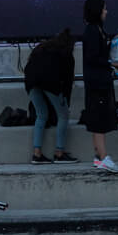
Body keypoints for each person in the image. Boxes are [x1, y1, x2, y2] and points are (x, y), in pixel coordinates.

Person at [77, 0, 118, 172]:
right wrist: (112, 63)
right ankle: (102, 156)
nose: (106, 12)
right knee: (98, 119)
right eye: (104, 9)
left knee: (101, 117)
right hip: (97, 83)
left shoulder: (98, 30)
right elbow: (93, 57)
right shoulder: (92, 31)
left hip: (102, 81)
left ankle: (99, 156)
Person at [23, 27, 77, 163]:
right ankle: (59, 153)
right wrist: (66, 102)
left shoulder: (41, 48)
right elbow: (67, 81)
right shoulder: (66, 54)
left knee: (41, 115)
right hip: (50, 83)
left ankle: (37, 154)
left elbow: (28, 67)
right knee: (63, 115)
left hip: (31, 82)